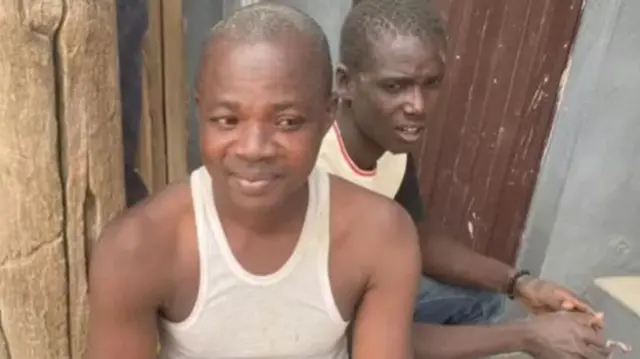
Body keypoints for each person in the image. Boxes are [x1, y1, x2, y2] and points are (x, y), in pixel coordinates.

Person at [87, 3, 420, 359]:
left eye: (287, 121)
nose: (254, 149)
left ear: (328, 115)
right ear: (200, 113)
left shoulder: (380, 235)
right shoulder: (138, 249)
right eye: (227, 120)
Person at [316, 0, 612, 358]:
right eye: (395, 86)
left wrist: (521, 284)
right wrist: (526, 336)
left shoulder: (389, 142)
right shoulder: (315, 172)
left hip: (365, 298)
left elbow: (416, 236)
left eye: (431, 83)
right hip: (326, 332)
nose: (418, 105)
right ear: (345, 83)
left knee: (485, 304)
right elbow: (357, 340)